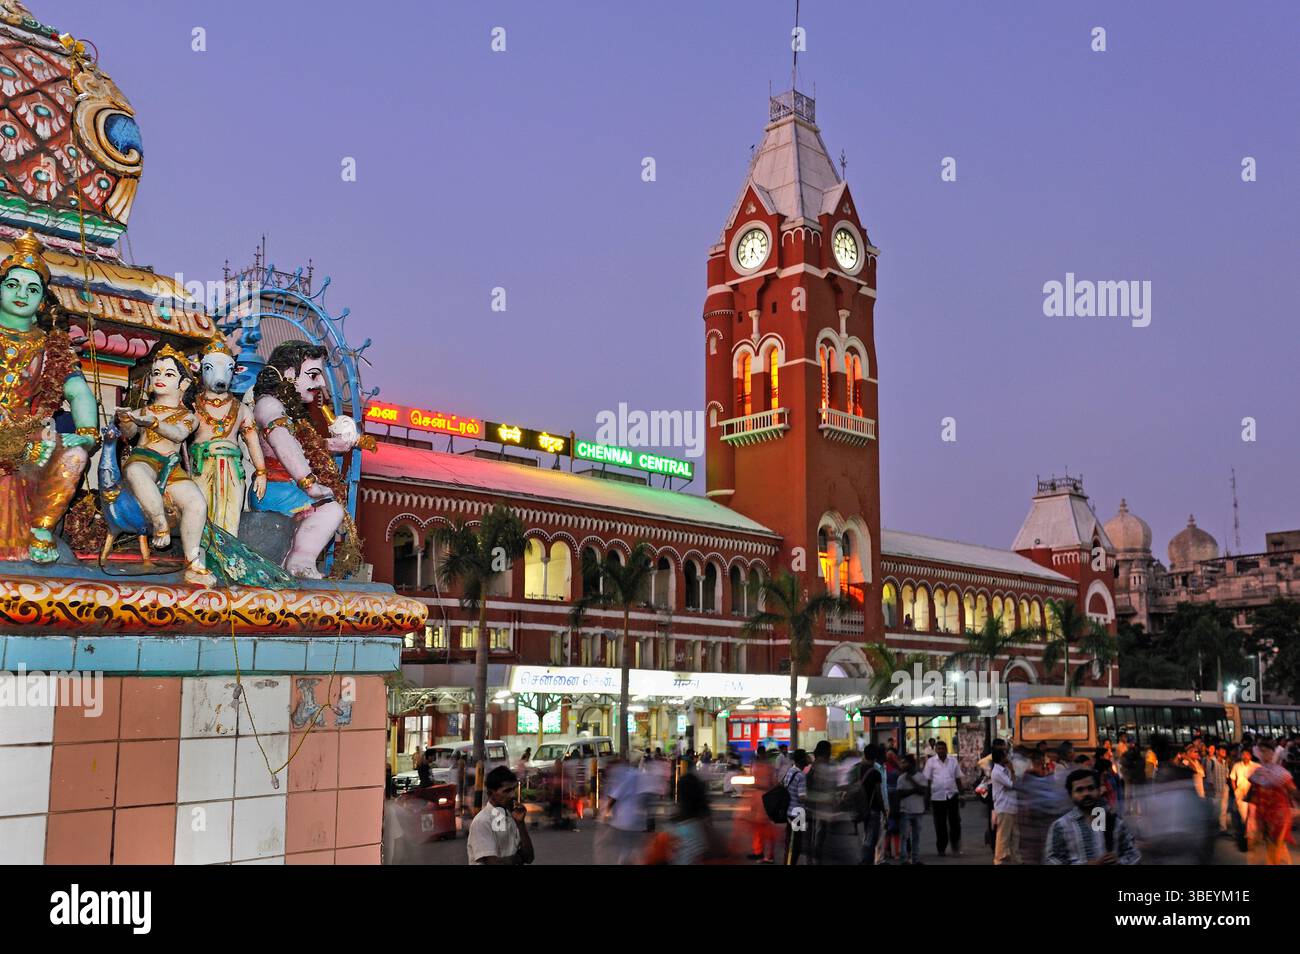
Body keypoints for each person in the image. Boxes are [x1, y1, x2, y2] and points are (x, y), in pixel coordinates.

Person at [1044, 770, 1140, 865]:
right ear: (1071, 795)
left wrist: (1119, 861)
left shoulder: (1115, 821)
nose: (1086, 794)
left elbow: (1134, 854)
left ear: (1098, 791)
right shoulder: (1061, 826)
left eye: (1091, 788)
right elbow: (1051, 860)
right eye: (1079, 790)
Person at [467, 766, 534, 865]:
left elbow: (529, 857)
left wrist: (521, 824)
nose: (512, 795)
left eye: (513, 789)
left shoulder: (512, 817)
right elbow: (494, 863)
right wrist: (517, 858)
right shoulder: (482, 821)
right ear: (490, 793)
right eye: (506, 791)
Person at [1245, 742, 1298, 865]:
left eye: (1268, 751)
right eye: (1262, 751)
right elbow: (1252, 795)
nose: (1265, 754)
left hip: (1279, 815)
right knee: (1271, 845)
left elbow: (1293, 791)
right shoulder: (1257, 772)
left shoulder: (1281, 773)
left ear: (1274, 753)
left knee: (1276, 844)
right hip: (1263, 814)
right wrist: (1252, 816)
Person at [922, 739, 963, 856]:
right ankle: (941, 848)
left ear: (946, 749)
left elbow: (958, 778)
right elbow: (928, 781)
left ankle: (955, 843)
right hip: (937, 797)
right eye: (938, 749)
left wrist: (962, 794)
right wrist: (926, 798)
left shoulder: (953, 761)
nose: (941, 751)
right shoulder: (931, 762)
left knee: (955, 822)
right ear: (935, 750)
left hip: (952, 795)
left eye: (943, 749)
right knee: (940, 825)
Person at [853, 743, 887, 864]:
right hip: (873, 808)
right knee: (871, 838)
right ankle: (865, 861)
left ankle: (861, 859)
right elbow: (878, 793)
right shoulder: (875, 772)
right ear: (876, 757)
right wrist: (884, 810)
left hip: (858, 808)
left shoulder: (856, 768)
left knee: (861, 836)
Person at [896, 753, 927, 864]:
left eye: (904, 762)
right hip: (905, 810)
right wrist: (915, 790)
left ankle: (915, 859)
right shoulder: (901, 778)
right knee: (904, 837)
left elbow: (923, 791)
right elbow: (900, 793)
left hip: (918, 810)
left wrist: (911, 782)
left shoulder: (920, 776)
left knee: (916, 837)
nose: (902, 764)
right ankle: (904, 859)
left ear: (911, 764)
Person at [991, 747, 1020, 864]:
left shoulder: (1004, 769)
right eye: (1005, 755)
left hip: (1012, 806)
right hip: (1004, 807)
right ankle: (998, 860)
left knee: (1015, 835)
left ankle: (1015, 858)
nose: (1007, 757)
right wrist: (1012, 771)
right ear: (1001, 758)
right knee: (1003, 836)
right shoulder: (997, 772)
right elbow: (1012, 784)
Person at [781, 749, 809, 865]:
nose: (808, 759)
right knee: (795, 845)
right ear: (802, 760)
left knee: (791, 843)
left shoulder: (791, 770)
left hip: (789, 811)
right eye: (806, 757)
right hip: (797, 814)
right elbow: (801, 797)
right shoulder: (801, 775)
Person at [1230, 745, 1258, 847]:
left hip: (1253, 794)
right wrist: (1235, 790)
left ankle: (1250, 836)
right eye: (1243, 754)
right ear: (1241, 755)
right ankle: (1246, 837)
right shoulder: (1237, 765)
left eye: (1247, 754)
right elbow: (1232, 778)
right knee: (1244, 815)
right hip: (1240, 794)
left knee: (1252, 816)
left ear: (1251, 755)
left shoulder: (1256, 766)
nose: (1245, 756)